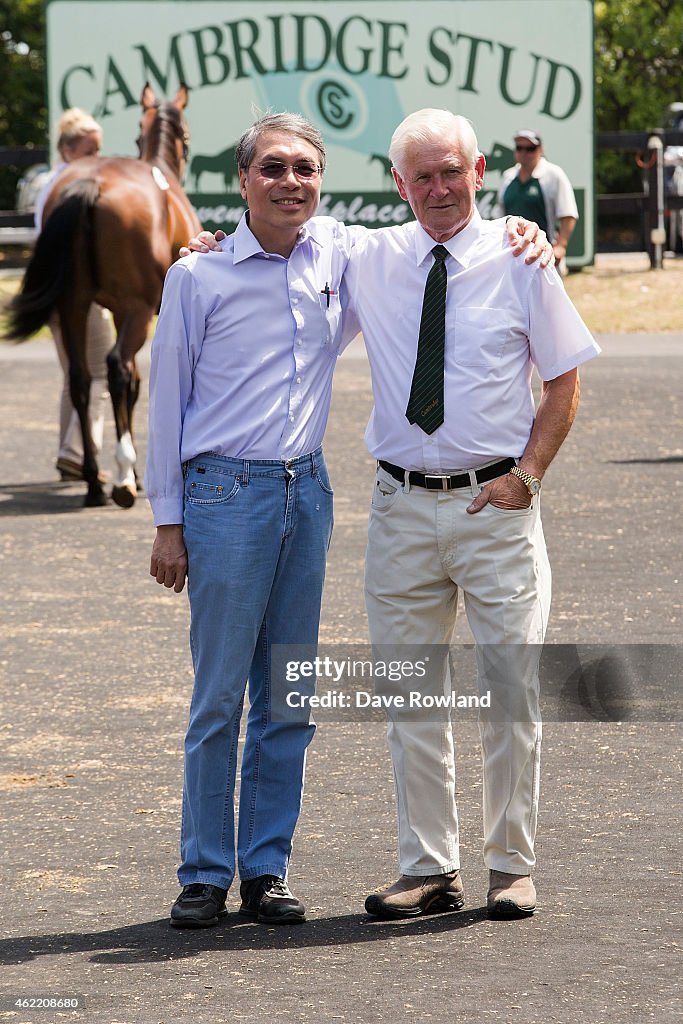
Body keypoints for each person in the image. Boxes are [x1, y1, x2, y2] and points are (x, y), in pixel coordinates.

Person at [147, 112, 552, 929]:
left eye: (303, 168)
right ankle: (202, 872)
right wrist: (167, 519)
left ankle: (265, 872)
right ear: (243, 179)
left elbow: (449, 235)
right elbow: (164, 404)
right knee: (219, 694)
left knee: (289, 694)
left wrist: (524, 226)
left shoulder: (341, 253)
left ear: (321, 181)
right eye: (272, 168)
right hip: (223, 494)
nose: (288, 181)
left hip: (309, 493)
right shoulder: (199, 277)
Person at [35, 108, 113, 482]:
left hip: (52, 293)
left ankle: (71, 456)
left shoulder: (51, 185)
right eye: (88, 151)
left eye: (98, 150)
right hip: (78, 293)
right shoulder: (72, 187)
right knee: (97, 370)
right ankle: (76, 451)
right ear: (67, 151)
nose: (95, 159)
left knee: (74, 374)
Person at [493, 129, 578, 272]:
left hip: (544, 253)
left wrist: (561, 246)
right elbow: (499, 214)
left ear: (540, 150)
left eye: (530, 148)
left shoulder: (553, 174)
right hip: (511, 254)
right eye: (519, 148)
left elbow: (568, 213)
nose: (524, 153)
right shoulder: (508, 177)